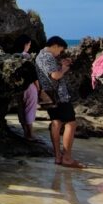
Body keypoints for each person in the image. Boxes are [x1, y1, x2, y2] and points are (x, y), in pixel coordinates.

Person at [36, 37, 81, 169]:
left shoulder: (39, 56)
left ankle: (58, 156)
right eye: (60, 50)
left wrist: (61, 64)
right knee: (71, 123)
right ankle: (67, 158)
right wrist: (64, 69)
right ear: (55, 45)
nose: (60, 53)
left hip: (48, 95)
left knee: (56, 122)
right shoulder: (48, 56)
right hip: (59, 95)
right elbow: (55, 75)